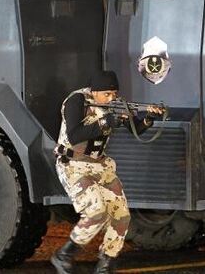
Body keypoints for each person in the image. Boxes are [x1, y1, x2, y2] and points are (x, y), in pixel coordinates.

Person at [51, 71, 163, 274]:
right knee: (96, 212)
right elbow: (74, 135)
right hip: (74, 164)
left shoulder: (113, 104)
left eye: (114, 93)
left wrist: (148, 119)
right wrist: (106, 123)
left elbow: (135, 128)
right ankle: (64, 255)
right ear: (94, 92)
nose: (112, 98)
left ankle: (106, 264)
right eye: (107, 94)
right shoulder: (77, 101)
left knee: (122, 216)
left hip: (101, 166)